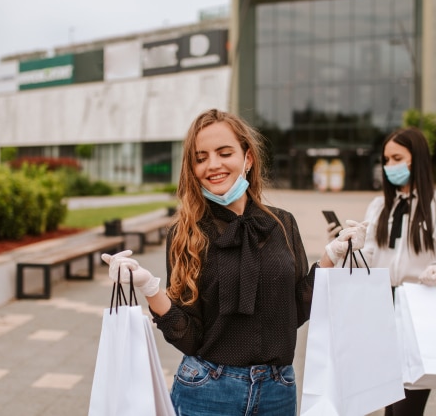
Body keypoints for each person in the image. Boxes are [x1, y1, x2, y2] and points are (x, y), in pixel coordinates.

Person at [101, 108, 366, 416]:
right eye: (201, 158)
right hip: (207, 390)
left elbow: (295, 310)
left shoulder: (281, 224)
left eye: (224, 153)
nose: (213, 165)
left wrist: (331, 257)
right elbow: (188, 337)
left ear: (247, 158)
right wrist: (149, 287)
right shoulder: (186, 233)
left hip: (278, 391)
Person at [325, 126, 436, 416]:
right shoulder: (381, 206)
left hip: (420, 308)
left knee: (410, 401)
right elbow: (369, 257)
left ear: (417, 159)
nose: (389, 166)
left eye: (397, 158)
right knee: (388, 400)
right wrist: (347, 245)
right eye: (386, 160)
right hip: (381, 308)